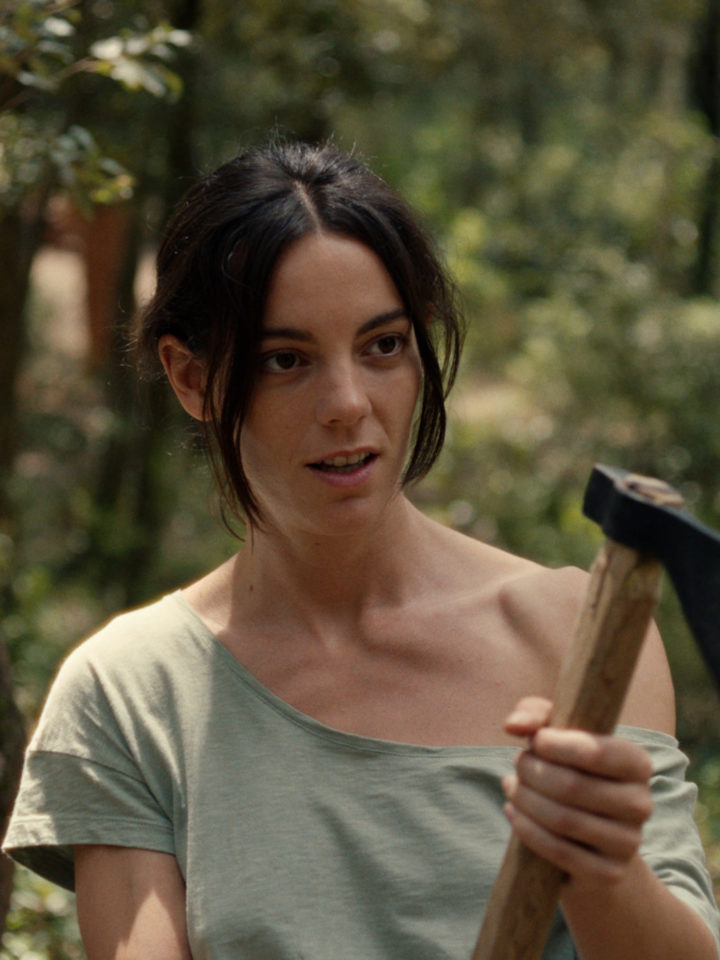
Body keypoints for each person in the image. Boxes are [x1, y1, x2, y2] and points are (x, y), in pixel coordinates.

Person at [2, 140, 718, 960]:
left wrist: (600, 869)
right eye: (286, 360)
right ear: (192, 378)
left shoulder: (575, 640)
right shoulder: (132, 694)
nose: (347, 404)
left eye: (383, 346)